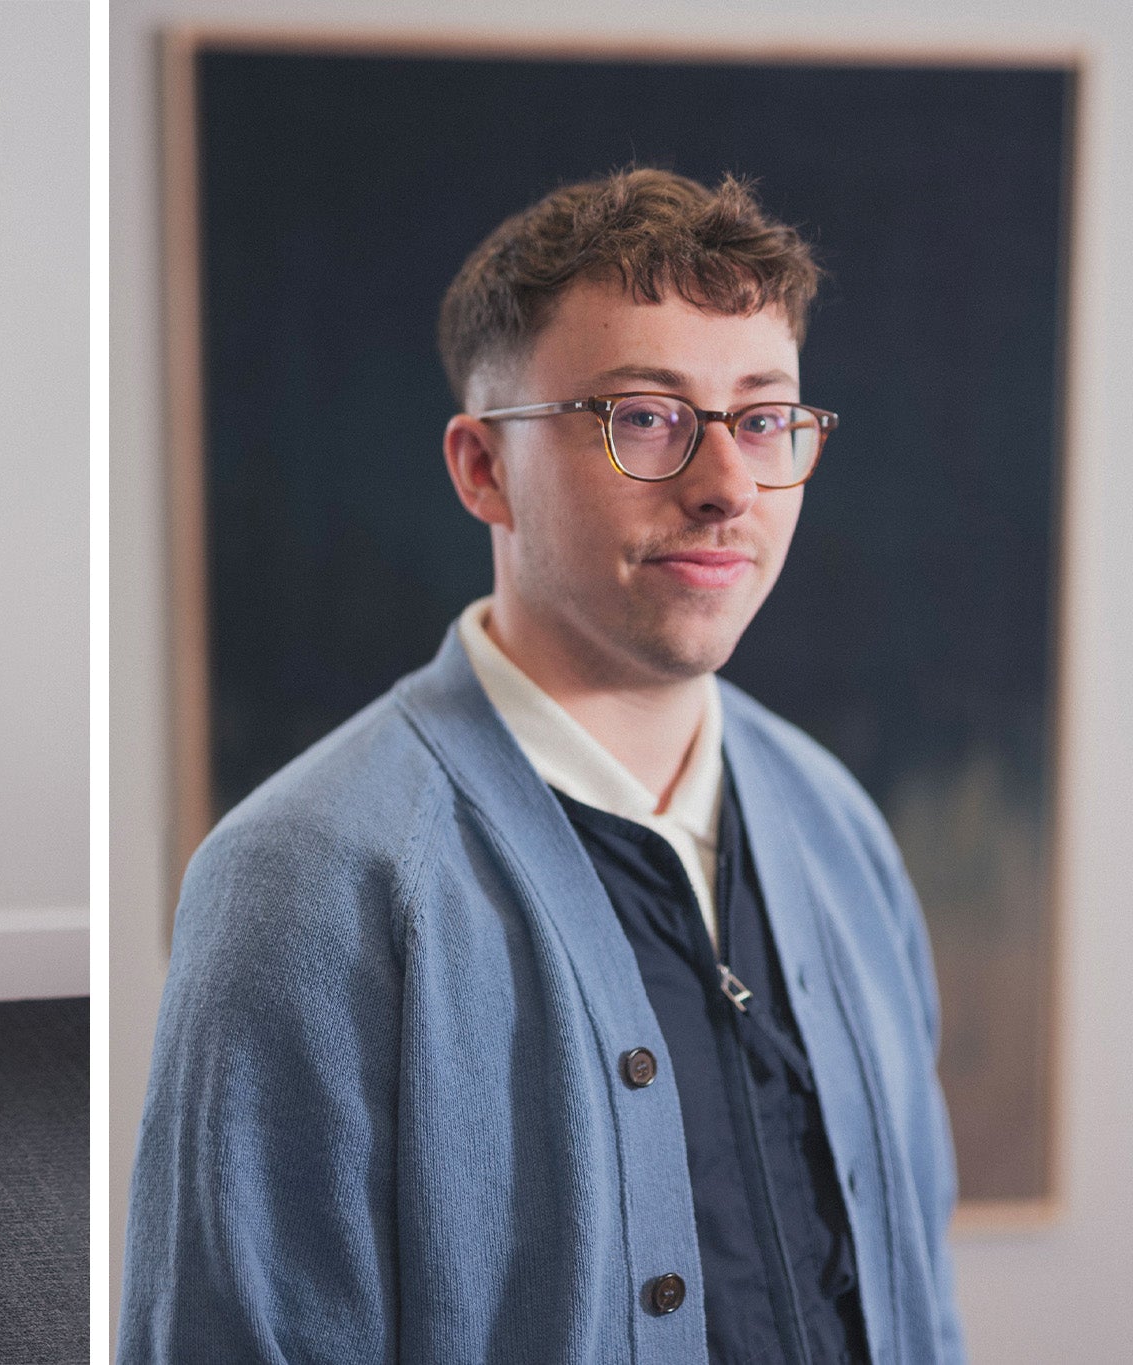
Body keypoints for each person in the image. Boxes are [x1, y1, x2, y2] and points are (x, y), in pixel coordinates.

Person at [119, 169, 964, 1362]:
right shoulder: (305, 885)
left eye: (762, 418)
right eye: (642, 416)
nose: (725, 486)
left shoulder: (841, 829)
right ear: (481, 469)